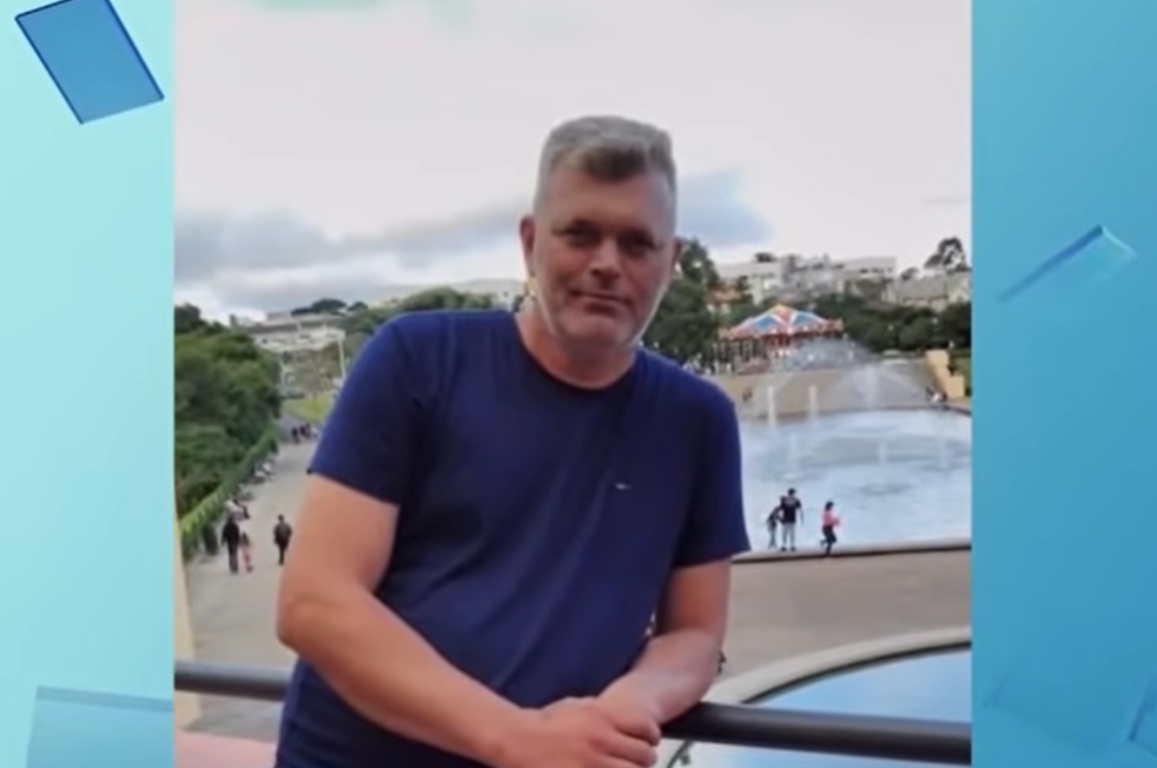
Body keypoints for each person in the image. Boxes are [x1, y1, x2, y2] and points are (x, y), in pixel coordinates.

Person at [273, 115, 750, 768]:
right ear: (530, 243)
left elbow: (694, 633)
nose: (607, 264)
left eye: (637, 243)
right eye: (579, 234)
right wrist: (516, 739)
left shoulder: (697, 421)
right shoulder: (417, 360)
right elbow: (315, 602)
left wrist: (618, 712)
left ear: (671, 262)